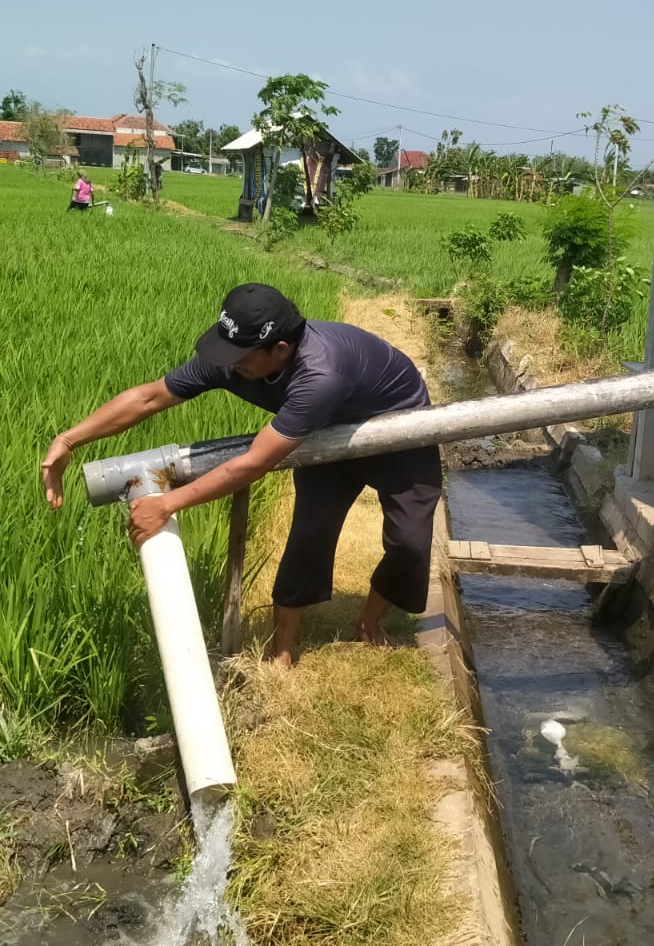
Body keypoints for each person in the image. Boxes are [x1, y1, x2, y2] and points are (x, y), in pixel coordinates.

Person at [40, 283, 440, 667]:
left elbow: (253, 463)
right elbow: (148, 397)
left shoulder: (319, 375)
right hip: (325, 432)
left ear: (280, 349)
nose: (228, 364)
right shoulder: (232, 358)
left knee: (410, 542)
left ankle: (370, 622)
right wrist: (68, 440)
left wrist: (168, 504)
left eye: (241, 356)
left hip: (397, 425)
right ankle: (282, 649)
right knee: (310, 533)